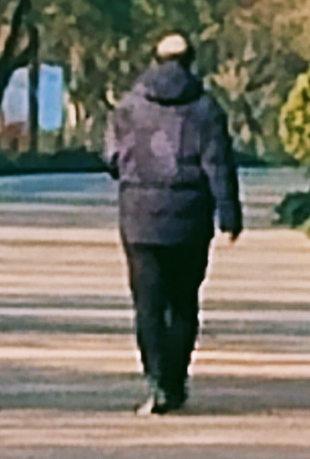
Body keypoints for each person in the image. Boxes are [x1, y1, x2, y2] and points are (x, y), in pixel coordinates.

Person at [103, 33, 242, 415]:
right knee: (183, 302)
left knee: (147, 304)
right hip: (190, 217)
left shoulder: (128, 107)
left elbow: (112, 159)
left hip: (139, 218)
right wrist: (229, 214)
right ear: (190, 61)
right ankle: (176, 380)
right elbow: (218, 166)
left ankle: (157, 379)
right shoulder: (207, 110)